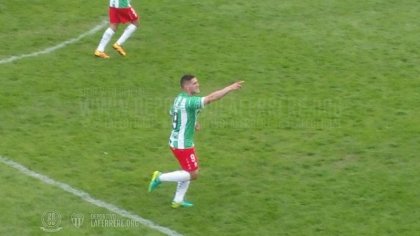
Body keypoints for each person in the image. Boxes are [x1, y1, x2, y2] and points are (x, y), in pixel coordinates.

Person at [148, 74, 244, 208]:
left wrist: (193, 123)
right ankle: (159, 177)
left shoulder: (179, 99)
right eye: (194, 83)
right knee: (193, 174)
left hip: (178, 141)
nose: (198, 84)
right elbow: (211, 98)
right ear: (187, 86)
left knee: (186, 171)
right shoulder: (189, 102)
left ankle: (178, 200)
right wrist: (230, 88)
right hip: (182, 145)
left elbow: (173, 113)